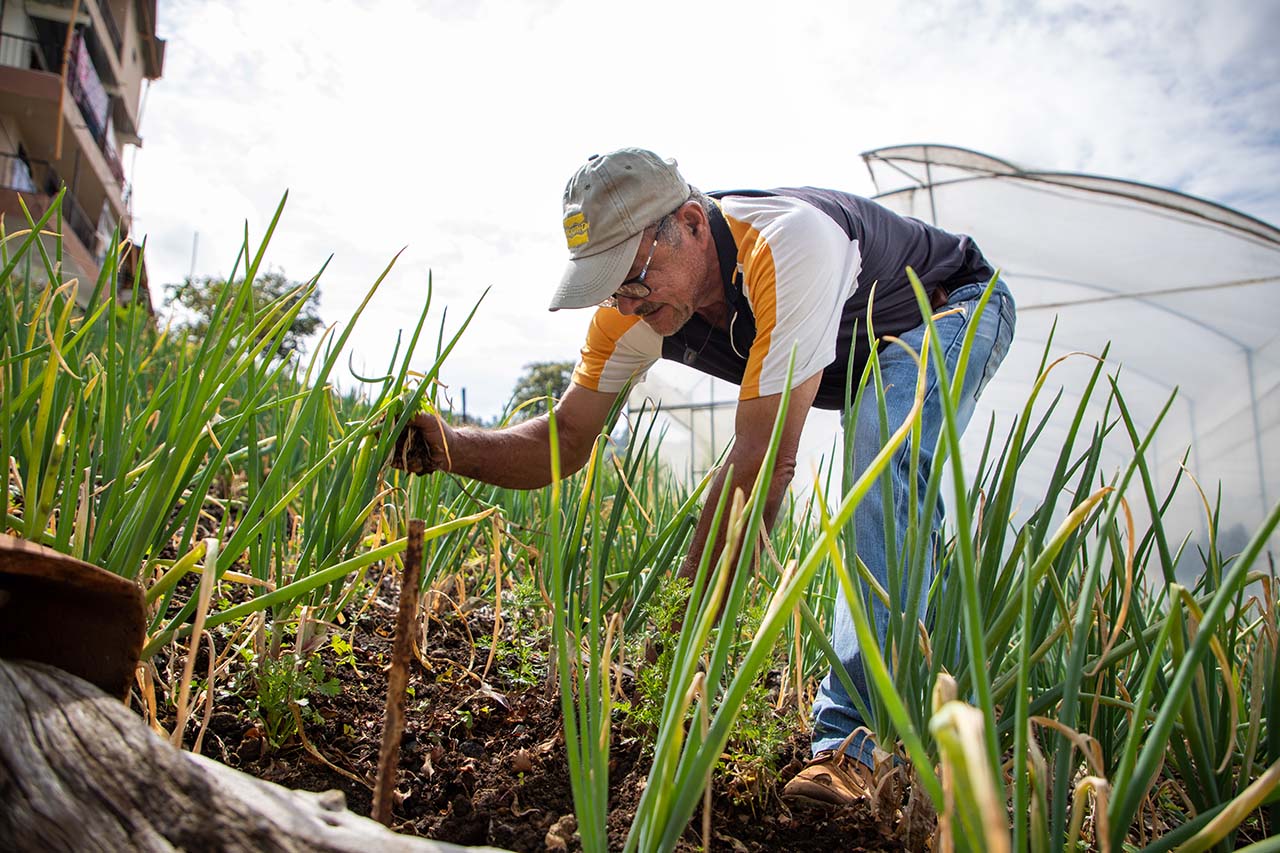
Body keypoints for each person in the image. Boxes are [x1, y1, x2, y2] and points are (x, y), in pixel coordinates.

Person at [392, 147, 1016, 807]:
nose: (625, 300)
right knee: (847, 443)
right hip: (846, 355)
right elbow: (565, 439)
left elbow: (766, 463)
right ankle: (912, 649)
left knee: (880, 435)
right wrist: (449, 446)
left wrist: (675, 644)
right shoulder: (632, 314)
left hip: (944, 306)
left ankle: (849, 744)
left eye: (633, 274)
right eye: (608, 285)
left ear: (691, 222)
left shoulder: (788, 244)